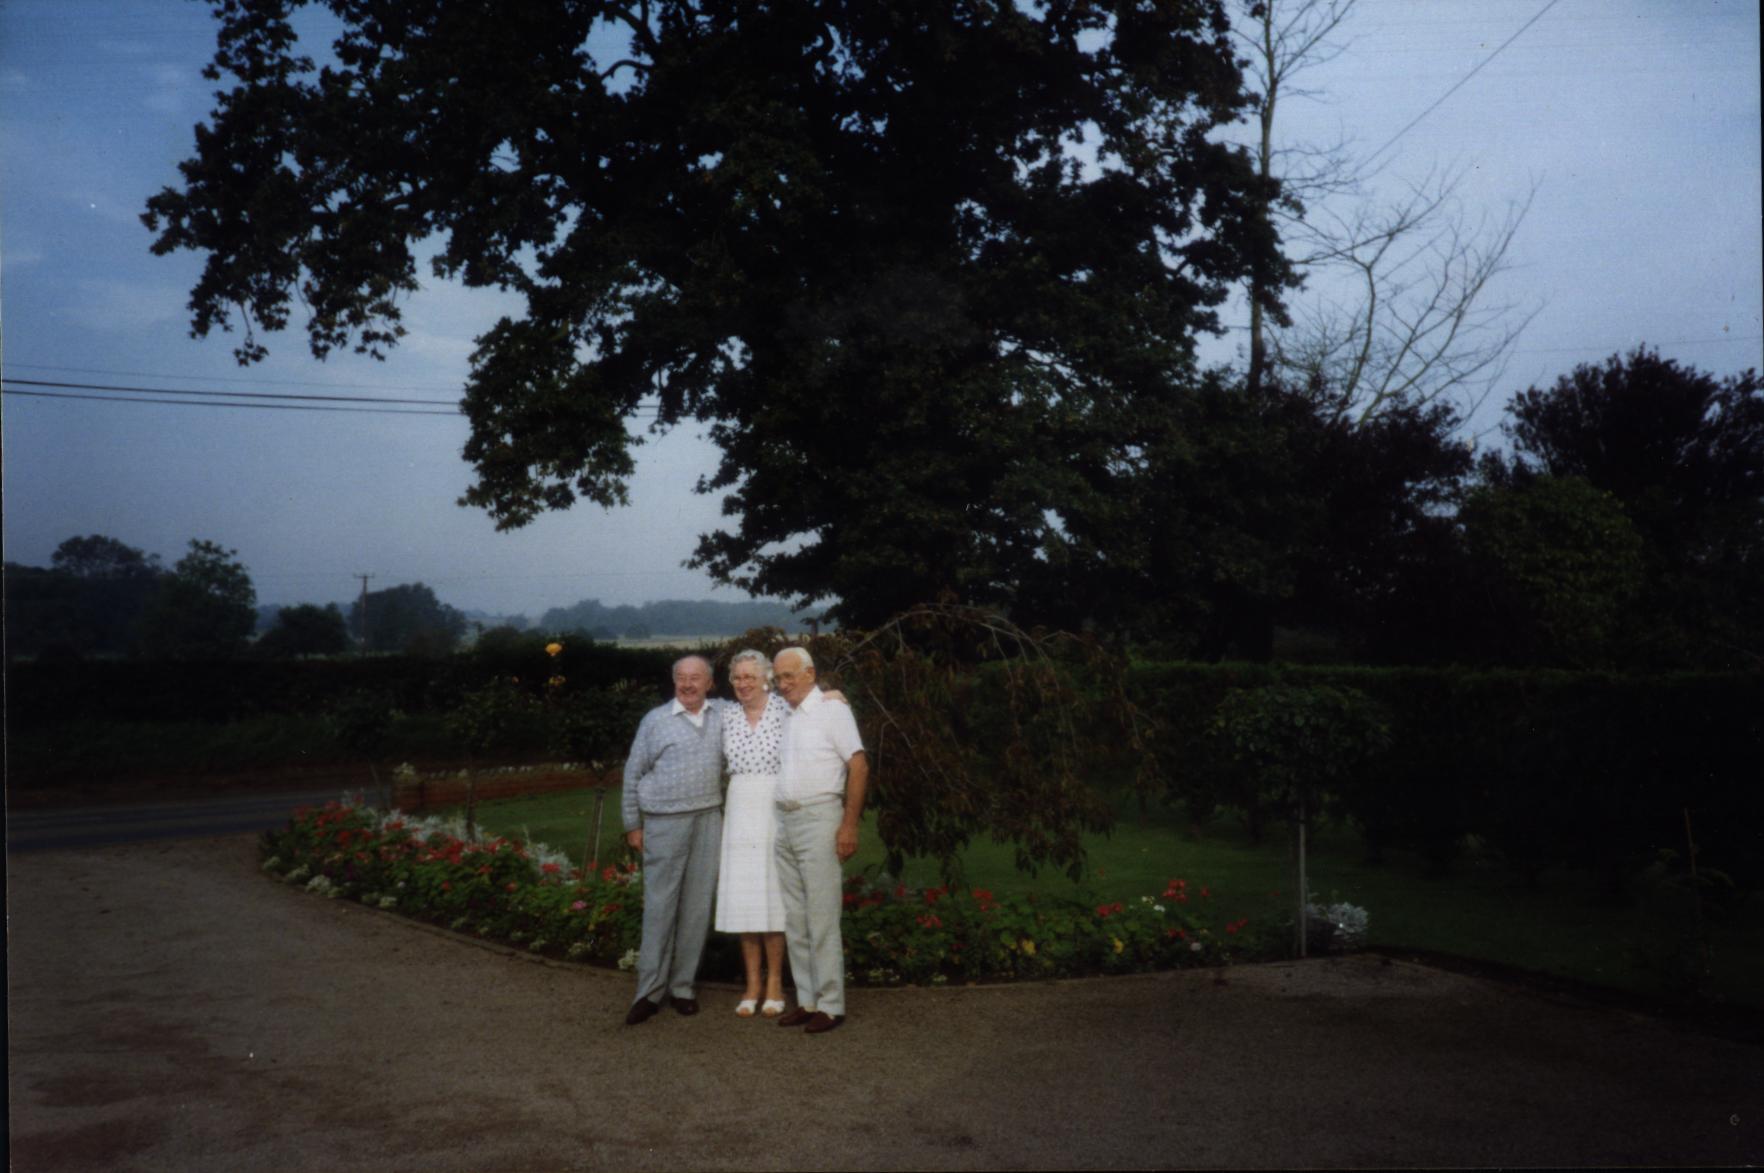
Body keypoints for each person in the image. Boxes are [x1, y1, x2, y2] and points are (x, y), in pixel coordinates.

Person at [620, 655, 725, 1025]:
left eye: (695, 677)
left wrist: (829, 694)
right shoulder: (655, 720)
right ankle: (649, 992)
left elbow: (764, 698)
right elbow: (633, 773)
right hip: (664, 822)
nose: (687, 684)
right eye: (681, 677)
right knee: (660, 907)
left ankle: (683, 988)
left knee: (697, 908)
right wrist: (633, 824)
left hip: (708, 819)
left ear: (709, 683)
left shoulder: (722, 714)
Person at [770, 645, 867, 1035]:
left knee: (822, 917)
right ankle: (807, 1000)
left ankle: (831, 1004)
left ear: (810, 674)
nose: (783, 684)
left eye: (789, 676)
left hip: (820, 819)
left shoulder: (833, 711)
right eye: (778, 678)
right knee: (795, 919)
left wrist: (849, 825)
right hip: (786, 821)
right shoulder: (786, 713)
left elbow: (858, 765)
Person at [713, 649, 791, 1018]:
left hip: (774, 809)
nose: (743, 684)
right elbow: (691, 705)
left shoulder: (786, 709)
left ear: (766, 679)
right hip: (740, 810)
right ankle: (752, 984)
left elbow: (818, 703)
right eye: (737, 677)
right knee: (745, 898)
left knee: (772, 896)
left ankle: (775, 982)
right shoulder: (725, 714)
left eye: (750, 677)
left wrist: (834, 694)